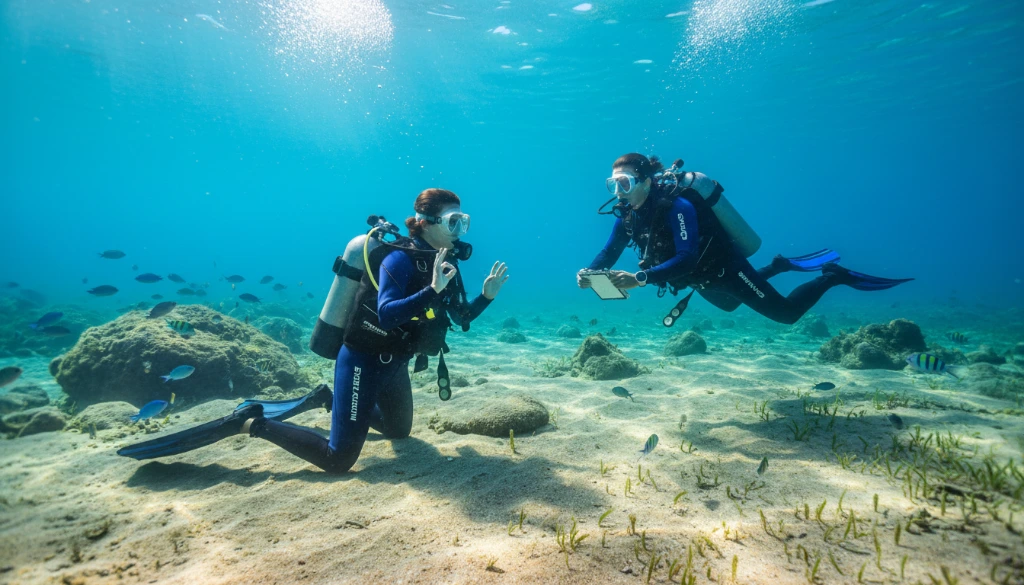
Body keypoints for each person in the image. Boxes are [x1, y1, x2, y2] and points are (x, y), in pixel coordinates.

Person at [118, 189, 508, 473]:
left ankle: (327, 398)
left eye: (465, 221)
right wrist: (431, 291)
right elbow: (387, 314)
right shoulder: (399, 261)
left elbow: (459, 319)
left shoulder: (443, 264)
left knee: (398, 431)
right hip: (362, 360)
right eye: (454, 221)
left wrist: (486, 297)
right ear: (427, 222)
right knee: (337, 460)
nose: (461, 229)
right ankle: (252, 422)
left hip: (396, 363)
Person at [578, 153, 911, 325]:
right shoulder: (628, 215)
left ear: (647, 181)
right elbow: (609, 252)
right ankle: (778, 267)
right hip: (697, 280)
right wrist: (590, 274)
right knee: (729, 305)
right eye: (613, 186)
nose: (619, 194)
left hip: (722, 268)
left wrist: (639, 278)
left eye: (625, 184)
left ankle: (833, 277)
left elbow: (688, 257)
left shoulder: (677, 207)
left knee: (785, 315)